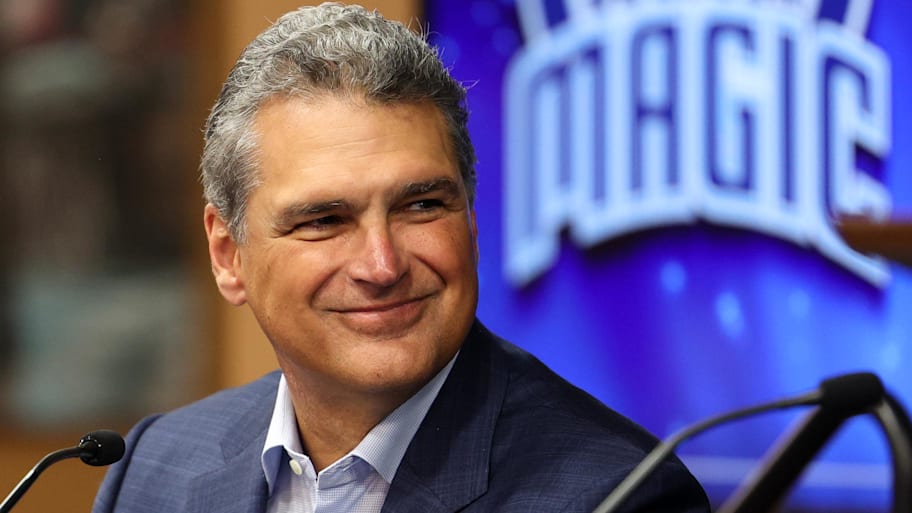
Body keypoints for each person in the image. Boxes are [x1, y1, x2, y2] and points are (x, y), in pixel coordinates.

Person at [92, 3, 710, 512]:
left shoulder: (616, 495)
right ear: (228, 255)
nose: (382, 266)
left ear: (471, 220)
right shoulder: (152, 469)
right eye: (324, 221)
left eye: (421, 206)